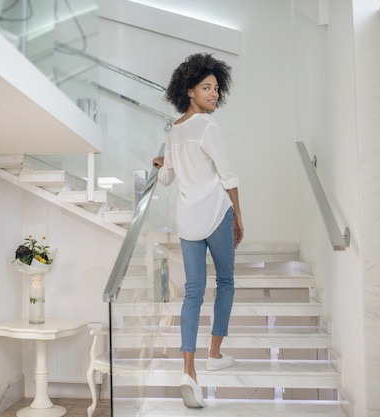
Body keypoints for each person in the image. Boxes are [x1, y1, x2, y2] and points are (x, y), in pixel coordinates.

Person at [152, 52, 244, 409]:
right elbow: (228, 175)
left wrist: (160, 161)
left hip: (188, 221)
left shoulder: (173, 132)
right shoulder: (208, 127)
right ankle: (215, 353)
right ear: (189, 90)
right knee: (226, 281)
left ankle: (188, 371)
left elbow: (165, 179)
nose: (214, 94)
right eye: (207, 87)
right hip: (216, 215)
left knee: (192, 294)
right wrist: (238, 215)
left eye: (217, 89)